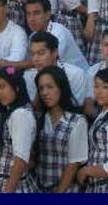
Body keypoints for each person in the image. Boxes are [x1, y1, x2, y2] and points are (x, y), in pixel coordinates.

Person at [35, 65, 88, 193]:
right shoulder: (40, 119)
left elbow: (73, 165)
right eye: (41, 88)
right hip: (40, 189)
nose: (45, 93)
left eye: (50, 87)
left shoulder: (77, 121)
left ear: (61, 88)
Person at [0, 67, 39, 193]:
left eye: (2, 87)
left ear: (17, 87)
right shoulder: (14, 112)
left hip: (13, 185)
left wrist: (8, 191)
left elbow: (21, 159)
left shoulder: (21, 114)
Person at [24, 32, 87, 106]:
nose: (35, 59)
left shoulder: (75, 74)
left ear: (55, 52)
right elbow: (33, 108)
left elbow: (77, 105)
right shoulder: (28, 76)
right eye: (33, 54)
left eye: (41, 53)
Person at [24, 0, 88, 70]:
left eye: (36, 13)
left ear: (47, 15)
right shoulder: (33, 36)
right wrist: (10, 69)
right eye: (28, 14)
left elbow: (45, 62)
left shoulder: (58, 32)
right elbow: (27, 64)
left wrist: (10, 65)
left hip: (74, 77)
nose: (31, 19)